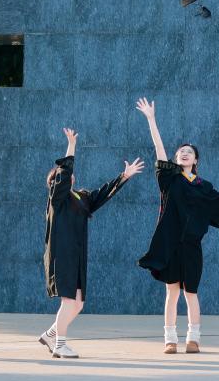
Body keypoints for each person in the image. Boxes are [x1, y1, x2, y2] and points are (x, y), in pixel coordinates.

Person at [135, 97, 219, 354]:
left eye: (189, 152)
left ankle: (193, 339)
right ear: (176, 158)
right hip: (170, 244)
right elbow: (158, 149)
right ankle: (170, 339)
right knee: (172, 293)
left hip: (192, 246)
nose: (184, 153)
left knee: (191, 293)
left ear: (196, 160)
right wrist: (151, 119)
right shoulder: (169, 179)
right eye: (181, 152)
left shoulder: (203, 187)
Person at [39, 127, 144, 358]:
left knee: (77, 303)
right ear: (55, 183)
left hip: (77, 255)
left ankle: (50, 335)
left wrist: (124, 176)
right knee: (68, 300)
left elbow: (103, 194)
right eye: (60, 177)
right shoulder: (57, 200)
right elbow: (64, 172)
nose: (66, 177)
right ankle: (59, 345)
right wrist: (71, 146)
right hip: (61, 254)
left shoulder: (81, 198)